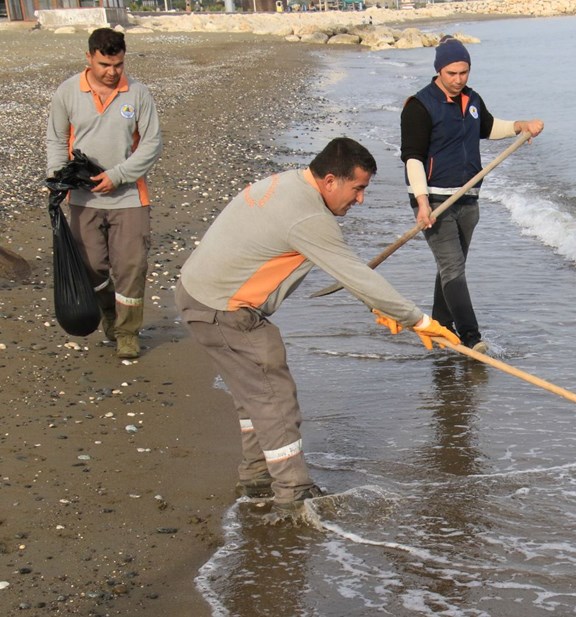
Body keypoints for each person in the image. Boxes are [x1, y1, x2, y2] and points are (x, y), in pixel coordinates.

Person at [175, 137, 459, 519]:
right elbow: (354, 273)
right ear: (329, 180)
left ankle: (257, 475)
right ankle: (293, 492)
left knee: (252, 393)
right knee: (273, 395)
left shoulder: (289, 182)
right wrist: (419, 320)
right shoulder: (308, 216)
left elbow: (354, 279)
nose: (360, 200)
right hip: (223, 309)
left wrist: (380, 307)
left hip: (199, 294)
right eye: (358, 188)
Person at [400, 35, 544, 353]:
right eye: (452, 73)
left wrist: (520, 125)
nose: (458, 79)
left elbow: (489, 128)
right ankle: (471, 338)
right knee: (453, 267)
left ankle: (440, 325)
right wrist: (422, 203)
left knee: (451, 266)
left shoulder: (472, 100)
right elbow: (412, 157)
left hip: (468, 198)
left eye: (464, 72)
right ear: (439, 71)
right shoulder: (420, 106)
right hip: (436, 200)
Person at [45, 27, 163, 359]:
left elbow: (152, 144)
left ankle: (127, 332)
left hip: (129, 198)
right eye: (104, 66)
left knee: (131, 266)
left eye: (118, 66)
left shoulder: (138, 94)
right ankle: (110, 314)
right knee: (90, 266)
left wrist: (118, 175)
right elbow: (56, 138)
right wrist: (56, 175)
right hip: (82, 199)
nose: (112, 73)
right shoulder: (67, 92)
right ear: (89, 59)